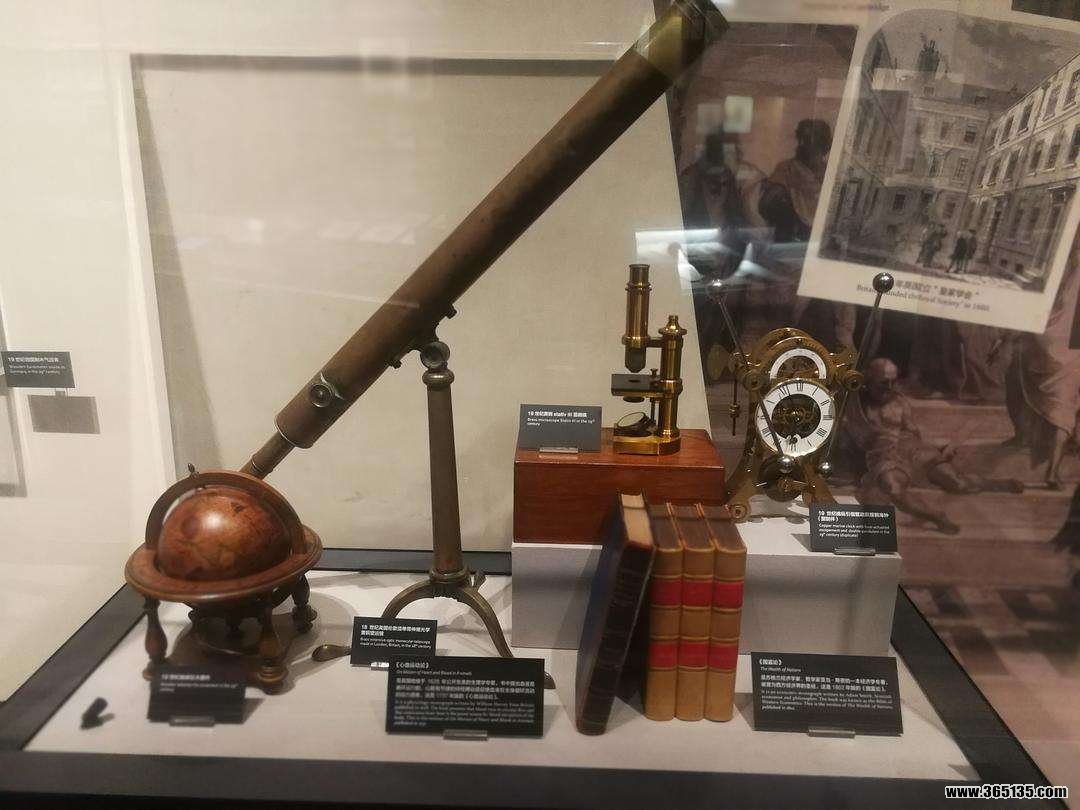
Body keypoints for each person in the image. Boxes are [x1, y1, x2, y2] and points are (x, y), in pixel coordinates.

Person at [847, 357, 1024, 534]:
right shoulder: (855, 404)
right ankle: (937, 517)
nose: (890, 387)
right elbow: (856, 439)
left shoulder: (899, 402)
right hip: (884, 457)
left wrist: (938, 451)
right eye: (883, 383)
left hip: (912, 450)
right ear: (869, 379)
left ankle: (997, 484)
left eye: (893, 382)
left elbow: (913, 433)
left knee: (958, 484)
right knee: (893, 488)